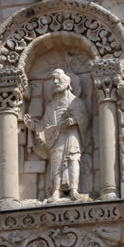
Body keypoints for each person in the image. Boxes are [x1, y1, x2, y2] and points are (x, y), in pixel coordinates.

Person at [23, 69, 90, 202]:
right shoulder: (51, 106)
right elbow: (44, 125)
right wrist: (33, 125)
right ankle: (56, 191)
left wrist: (74, 121)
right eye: (53, 80)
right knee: (56, 161)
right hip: (56, 136)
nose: (55, 82)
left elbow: (85, 118)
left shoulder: (76, 102)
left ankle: (74, 190)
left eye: (58, 79)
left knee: (73, 158)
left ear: (67, 82)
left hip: (72, 134)